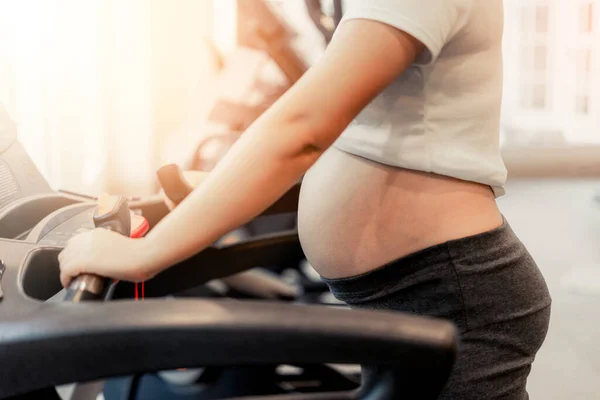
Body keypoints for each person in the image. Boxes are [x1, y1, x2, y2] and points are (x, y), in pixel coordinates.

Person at [59, 1, 552, 398]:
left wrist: (144, 255)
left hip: (453, 295)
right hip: (420, 289)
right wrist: (217, 188)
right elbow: (363, 134)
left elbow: (303, 131)